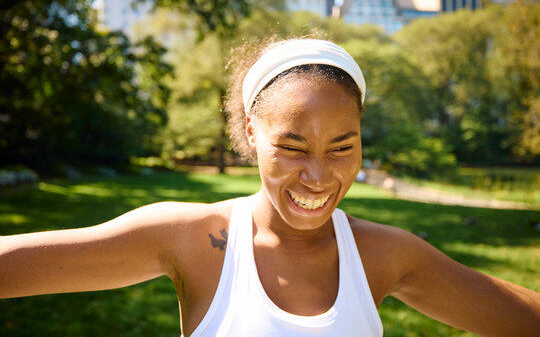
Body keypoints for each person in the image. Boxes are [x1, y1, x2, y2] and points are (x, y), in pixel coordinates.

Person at [1, 38, 539, 336]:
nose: (319, 176)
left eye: (342, 147)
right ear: (252, 134)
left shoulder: (383, 254)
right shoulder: (190, 239)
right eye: (293, 147)